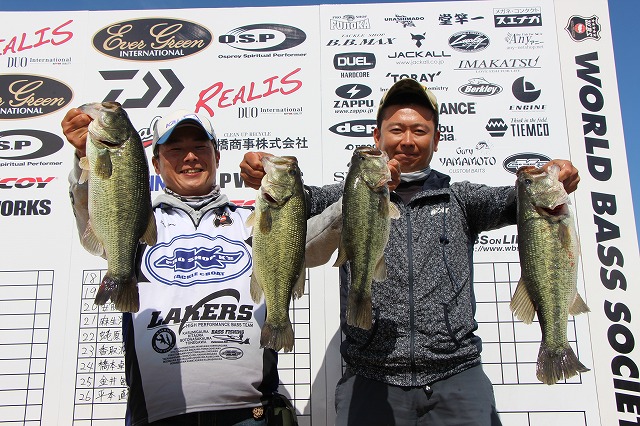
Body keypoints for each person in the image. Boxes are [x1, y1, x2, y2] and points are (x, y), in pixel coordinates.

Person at [239, 78, 580, 426]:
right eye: (396, 129)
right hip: (370, 378)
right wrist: (259, 168)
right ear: (377, 136)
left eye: (419, 130)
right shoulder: (344, 195)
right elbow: (296, 203)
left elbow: (518, 202)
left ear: (437, 139)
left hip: (458, 376)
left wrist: (555, 178)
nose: (407, 140)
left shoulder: (462, 199)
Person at [63, 108, 281, 425]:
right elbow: (92, 209)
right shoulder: (137, 219)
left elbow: (319, 235)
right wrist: (85, 156)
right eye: (176, 149)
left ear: (217, 157)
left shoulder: (253, 223)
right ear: (155, 164)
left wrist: (282, 181)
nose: (190, 157)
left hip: (251, 414)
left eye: (200, 147)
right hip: (157, 415)